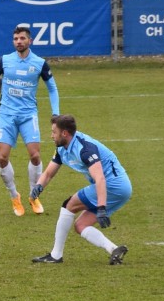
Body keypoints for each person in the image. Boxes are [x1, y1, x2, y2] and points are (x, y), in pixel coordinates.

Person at [0, 25, 59, 217]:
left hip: (28, 116)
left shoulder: (40, 63)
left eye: (22, 38)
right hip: (6, 116)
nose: (19, 41)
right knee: (2, 157)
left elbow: (52, 88)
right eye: (16, 38)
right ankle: (14, 196)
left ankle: (34, 195)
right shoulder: (5, 61)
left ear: (30, 41)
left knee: (35, 155)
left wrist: (55, 113)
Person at [30, 114, 131, 265]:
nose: (51, 136)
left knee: (68, 205)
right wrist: (39, 186)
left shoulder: (85, 149)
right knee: (80, 226)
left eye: (54, 132)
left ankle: (56, 255)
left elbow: (100, 178)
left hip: (113, 185)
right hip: (120, 188)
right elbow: (49, 173)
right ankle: (113, 249)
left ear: (64, 133)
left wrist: (102, 207)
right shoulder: (62, 149)